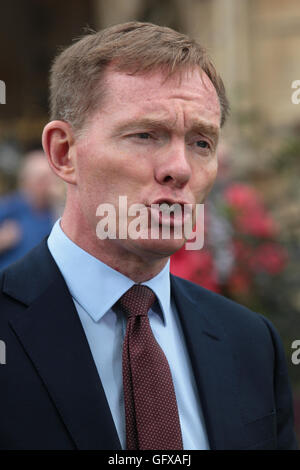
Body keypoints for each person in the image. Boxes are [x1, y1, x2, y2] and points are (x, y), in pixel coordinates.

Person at [0, 22, 298, 450]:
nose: (179, 168)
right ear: (64, 153)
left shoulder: (250, 342)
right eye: (145, 135)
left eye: (201, 142)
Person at [0, 150, 60, 270]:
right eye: (42, 180)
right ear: (26, 181)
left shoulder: (56, 213)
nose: (49, 185)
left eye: (51, 178)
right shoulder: (9, 207)